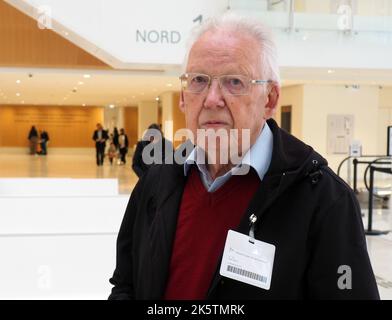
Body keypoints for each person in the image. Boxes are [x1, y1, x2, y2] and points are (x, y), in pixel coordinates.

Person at [109, 14, 379, 300]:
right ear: (183, 97)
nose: (212, 99)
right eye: (199, 80)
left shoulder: (323, 199)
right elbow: (126, 284)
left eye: (234, 82)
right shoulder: (157, 179)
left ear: (270, 99)